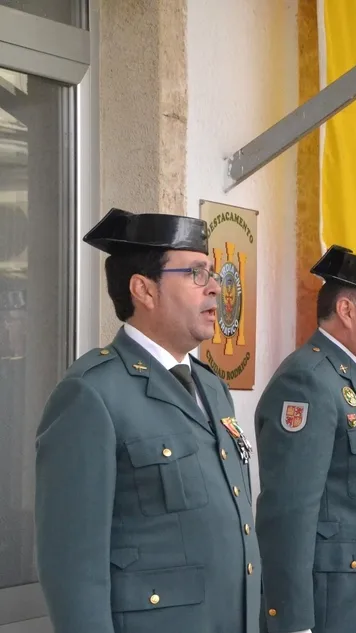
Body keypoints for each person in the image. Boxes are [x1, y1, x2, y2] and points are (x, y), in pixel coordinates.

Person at [34, 208, 260, 633]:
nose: (215, 288)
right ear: (144, 290)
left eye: (212, 273)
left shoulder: (212, 388)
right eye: (196, 273)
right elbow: (72, 567)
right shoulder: (93, 394)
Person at [254, 245, 356, 633]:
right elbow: (289, 513)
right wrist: (292, 621)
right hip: (336, 611)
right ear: (346, 310)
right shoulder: (309, 380)